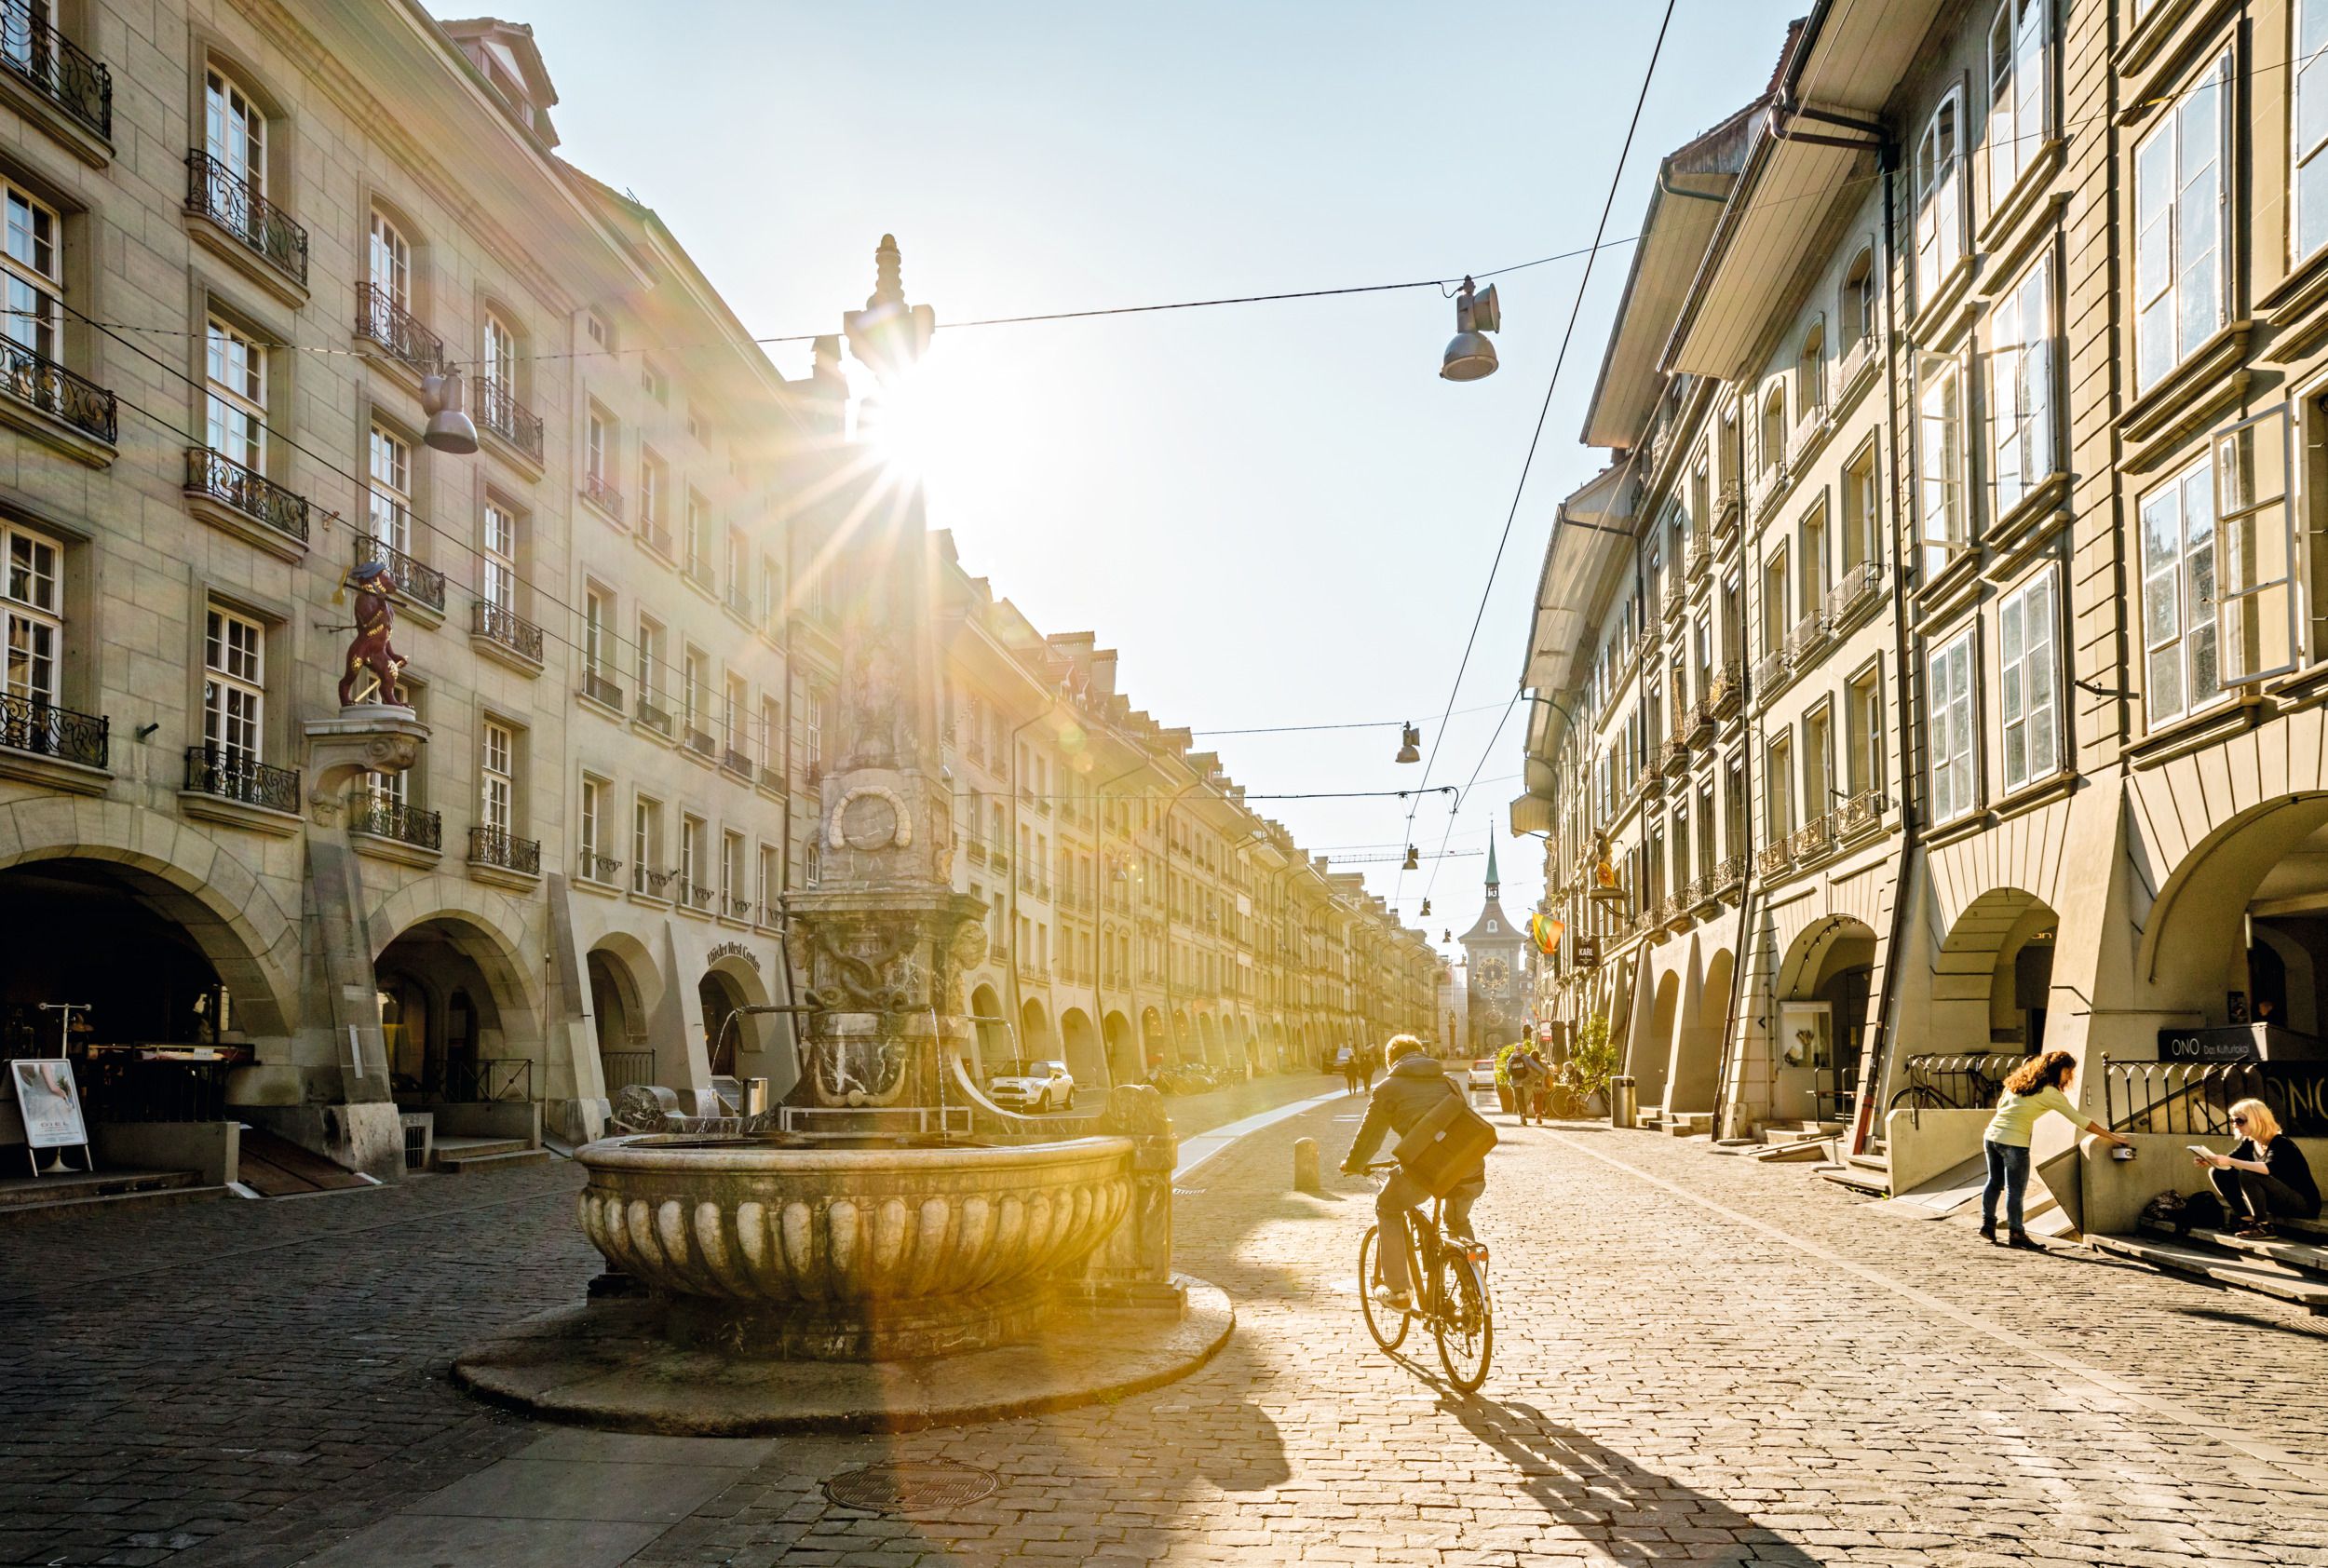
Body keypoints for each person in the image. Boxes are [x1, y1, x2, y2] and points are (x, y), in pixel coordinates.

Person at [1338, 1034, 1487, 1313]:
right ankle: (1472, 1295)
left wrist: (1354, 1163)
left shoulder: (1388, 1088)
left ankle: (1398, 1292)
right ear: (1422, 1054)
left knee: (1388, 1207)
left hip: (1427, 1169)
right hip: (1470, 1166)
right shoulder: (1448, 1082)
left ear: (1390, 1060)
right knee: (1457, 1221)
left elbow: (1370, 1138)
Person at [1981, 1048, 2132, 1249]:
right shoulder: (2050, 1093)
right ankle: (2016, 1233)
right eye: (2068, 1071)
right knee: (2015, 1190)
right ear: (2057, 1070)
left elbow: (2001, 1108)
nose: (2070, 1076)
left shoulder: (2016, 1083)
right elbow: (2080, 1121)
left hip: (1991, 1137)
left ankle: (1987, 1225)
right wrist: (2112, 1136)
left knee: (1994, 1182)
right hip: (2014, 1142)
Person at [2195, 1098, 2319, 1238]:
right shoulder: (2250, 1142)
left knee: (2248, 1174)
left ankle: (2263, 1227)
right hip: (2276, 1200)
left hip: (2303, 1205)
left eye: (2240, 1121)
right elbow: (2229, 1162)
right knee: (2218, 1172)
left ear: (2257, 1120)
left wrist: (2229, 1160)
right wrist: (2211, 1161)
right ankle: (2246, 1220)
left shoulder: (2281, 1143)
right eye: (2233, 1120)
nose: (2235, 1125)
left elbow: (2267, 1169)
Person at [1507, 1047, 1549, 1127]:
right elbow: (1538, 1068)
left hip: (1515, 1083)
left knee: (1518, 1100)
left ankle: (1522, 1115)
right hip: (1526, 1083)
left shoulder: (1511, 1058)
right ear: (1523, 1050)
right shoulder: (1527, 1058)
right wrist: (1542, 1074)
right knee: (1525, 1099)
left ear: (1515, 1050)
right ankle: (1524, 1114)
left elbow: (1508, 1071)